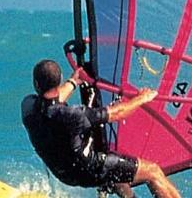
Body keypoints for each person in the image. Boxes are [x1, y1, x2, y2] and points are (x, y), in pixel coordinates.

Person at [21, 59, 181, 198]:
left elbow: (52, 103)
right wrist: (142, 99)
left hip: (63, 172)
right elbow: (118, 112)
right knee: (152, 171)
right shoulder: (74, 116)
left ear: (36, 84)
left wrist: (73, 82)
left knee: (117, 173)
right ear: (59, 79)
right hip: (90, 169)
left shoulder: (28, 107)